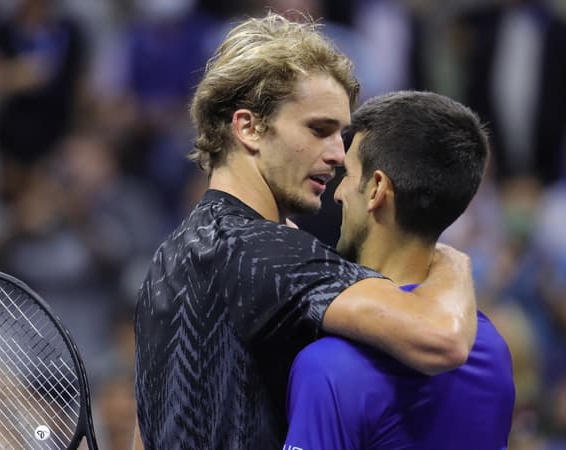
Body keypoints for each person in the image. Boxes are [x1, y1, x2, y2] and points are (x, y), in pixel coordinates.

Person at [134, 13, 478, 449]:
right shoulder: (265, 252)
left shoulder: (167, 259)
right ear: (249, 127)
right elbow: (442, 339)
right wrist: (450, 259)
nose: (338, 155)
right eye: (319, 130)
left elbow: (142, 438)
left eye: (342, 134)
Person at [284, 91, 515, 449]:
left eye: (348, 174)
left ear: (376, 189)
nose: (338, 193)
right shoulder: (491, 350)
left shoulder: (328, 367)